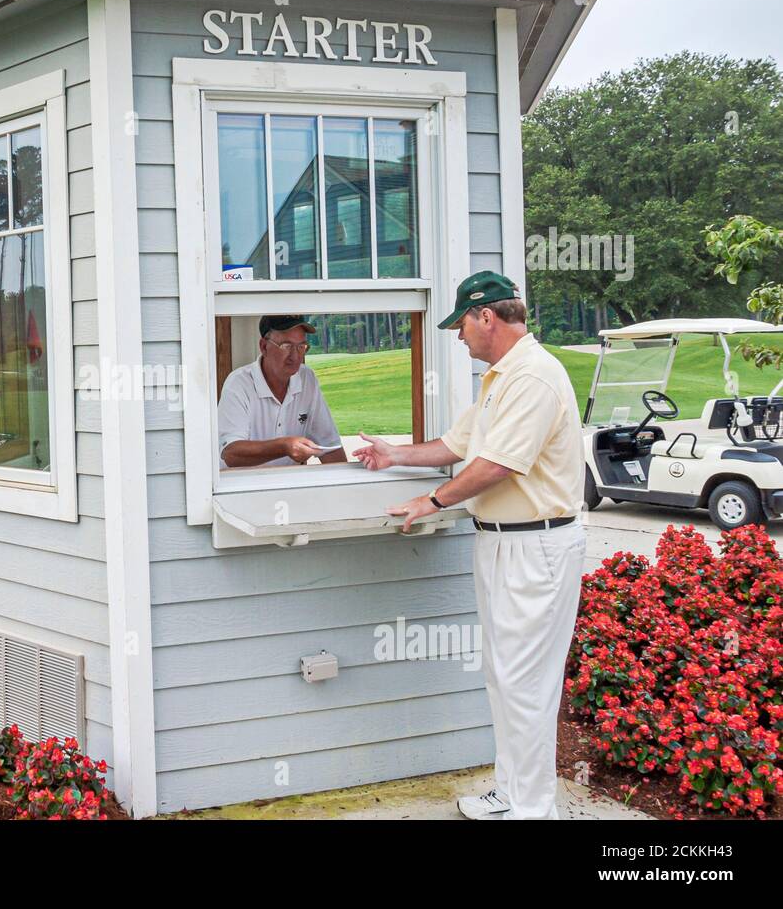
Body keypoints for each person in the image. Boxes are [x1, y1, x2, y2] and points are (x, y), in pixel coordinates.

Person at [352, 270, 586, 820]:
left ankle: (533, 810)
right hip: (504, 545)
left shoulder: (533, 378)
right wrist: (394, 455)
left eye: (461, 324)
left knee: (525, 683)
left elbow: (498, 466)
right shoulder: (501, 378)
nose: (458, 337)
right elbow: (457, 445)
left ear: (488, 317)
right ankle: (510, 793)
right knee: (504, 676)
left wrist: (431, 503)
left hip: (538, 548)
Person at [217, 315, 348, 468]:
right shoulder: (239, 383)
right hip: (243, 485)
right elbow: (231, 453)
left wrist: (349, 486)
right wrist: (284, 446)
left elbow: (329, 447)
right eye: (286, 346)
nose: (295, 356)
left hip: (290, 484)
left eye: (301, 347)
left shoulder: (307, 379)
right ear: (264, 346)